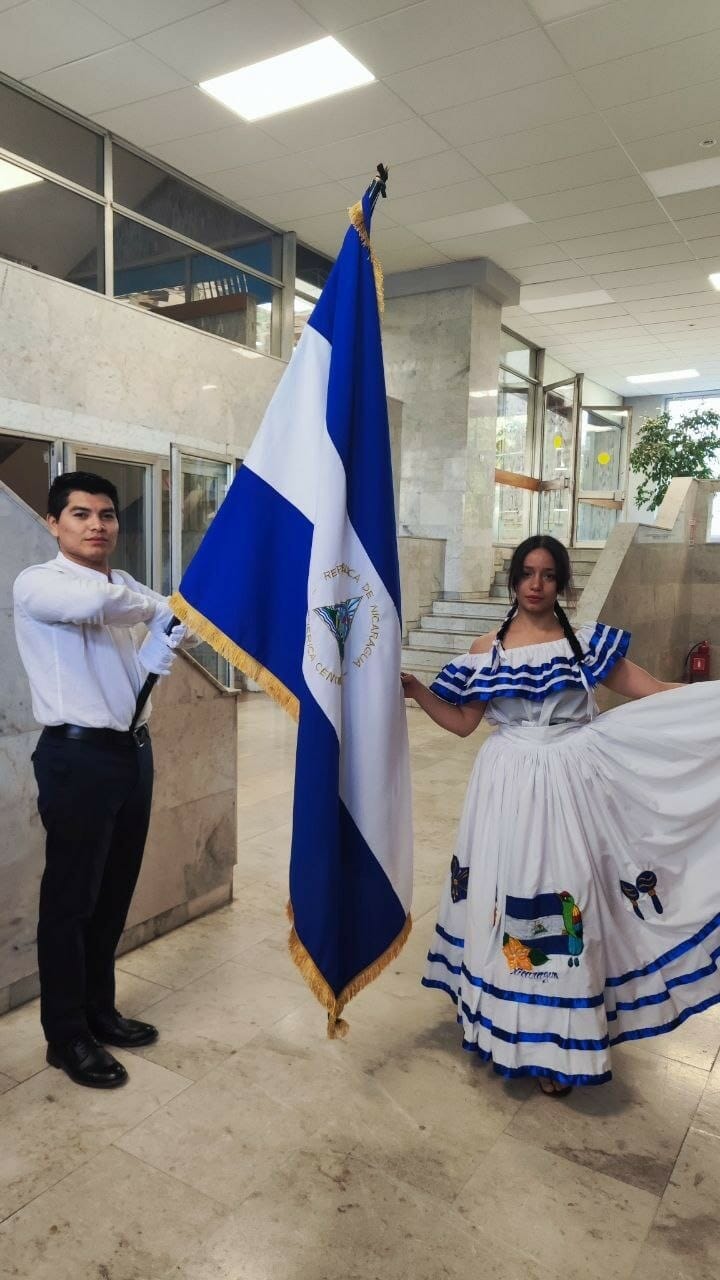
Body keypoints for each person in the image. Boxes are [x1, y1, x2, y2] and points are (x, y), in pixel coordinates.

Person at [401, 534, 720, 1096]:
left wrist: (705, 702)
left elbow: (653, 693)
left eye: (548, 575)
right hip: (504, 789)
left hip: (571, 786)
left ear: (563, 583)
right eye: (527, 572)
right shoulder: (485, 651)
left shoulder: (587, 645)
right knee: (507, 895)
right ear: (514, 579)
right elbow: (462, 724)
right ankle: (510, 1026)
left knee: (567, 897)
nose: (536, 584)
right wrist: (417, 690)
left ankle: (557, 1043)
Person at [13, 471, 185, 1089]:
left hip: (131, 752)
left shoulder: (125, 585)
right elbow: (94, 605)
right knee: (70, 902)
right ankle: (66, 1037)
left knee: (113, 893)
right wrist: (160, 607)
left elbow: (132, 663)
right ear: (55, 523)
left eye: (106, 515)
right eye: (81, 514)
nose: (96, 525)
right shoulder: (40, 582)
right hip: (76, 757)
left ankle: (98, 1011)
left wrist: (162, 640)